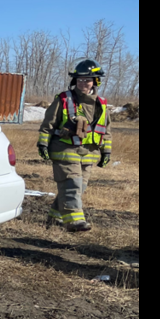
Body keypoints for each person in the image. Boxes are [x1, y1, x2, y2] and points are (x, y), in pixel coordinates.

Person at [38, 60, 112, 232]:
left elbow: (106, 130)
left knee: (78, 188)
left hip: (89, 154)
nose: (83, 83)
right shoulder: (64, 99)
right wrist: (43, 142)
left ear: (95, 81)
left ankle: (55, 218)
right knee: (72, 184)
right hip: (64, 150)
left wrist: (106, 151)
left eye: (87, 80)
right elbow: (48, 123)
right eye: (79, 80)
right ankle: (74, 222)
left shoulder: (101, 104)